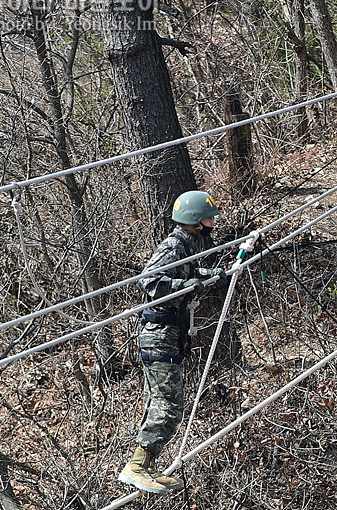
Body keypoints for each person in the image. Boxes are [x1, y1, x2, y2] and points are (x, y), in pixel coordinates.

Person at [118, 190, 229, 495]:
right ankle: (136, 467)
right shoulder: (174, 245)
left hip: (166, 335)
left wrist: (207, 276)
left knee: (158, 402)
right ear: (195, 220)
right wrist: (184, 285)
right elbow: (150, 280)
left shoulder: (188, 245)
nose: (212, 221)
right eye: (209, 217)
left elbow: (188, 272)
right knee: (169, 406)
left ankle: (145, 466)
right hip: (158, 335)